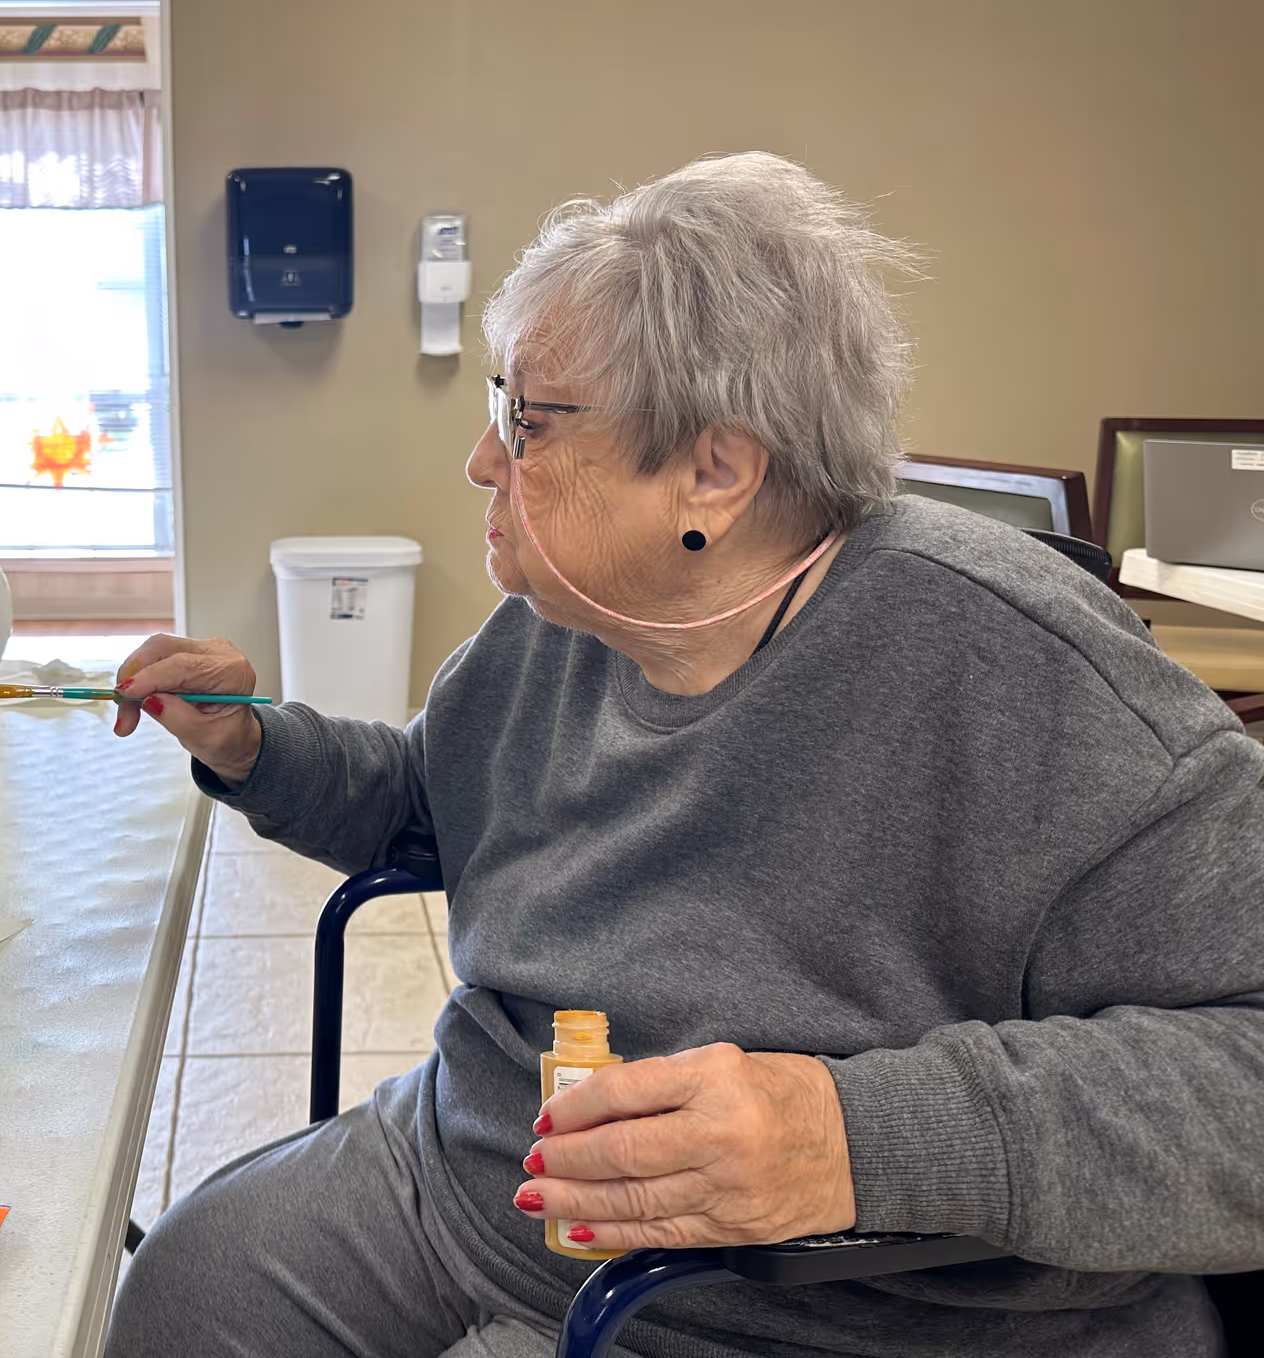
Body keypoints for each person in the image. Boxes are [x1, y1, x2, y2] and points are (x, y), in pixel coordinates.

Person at [104, 153, 1264, 1357]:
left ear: (715, 468)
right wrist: (253, 745)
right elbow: (433, 802)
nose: (481, 461)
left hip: (800, 1305)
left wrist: (852, 1137)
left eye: (526, 420)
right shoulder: (571, 617)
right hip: (482, 1177)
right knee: (188, 1292)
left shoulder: (1030, 683)